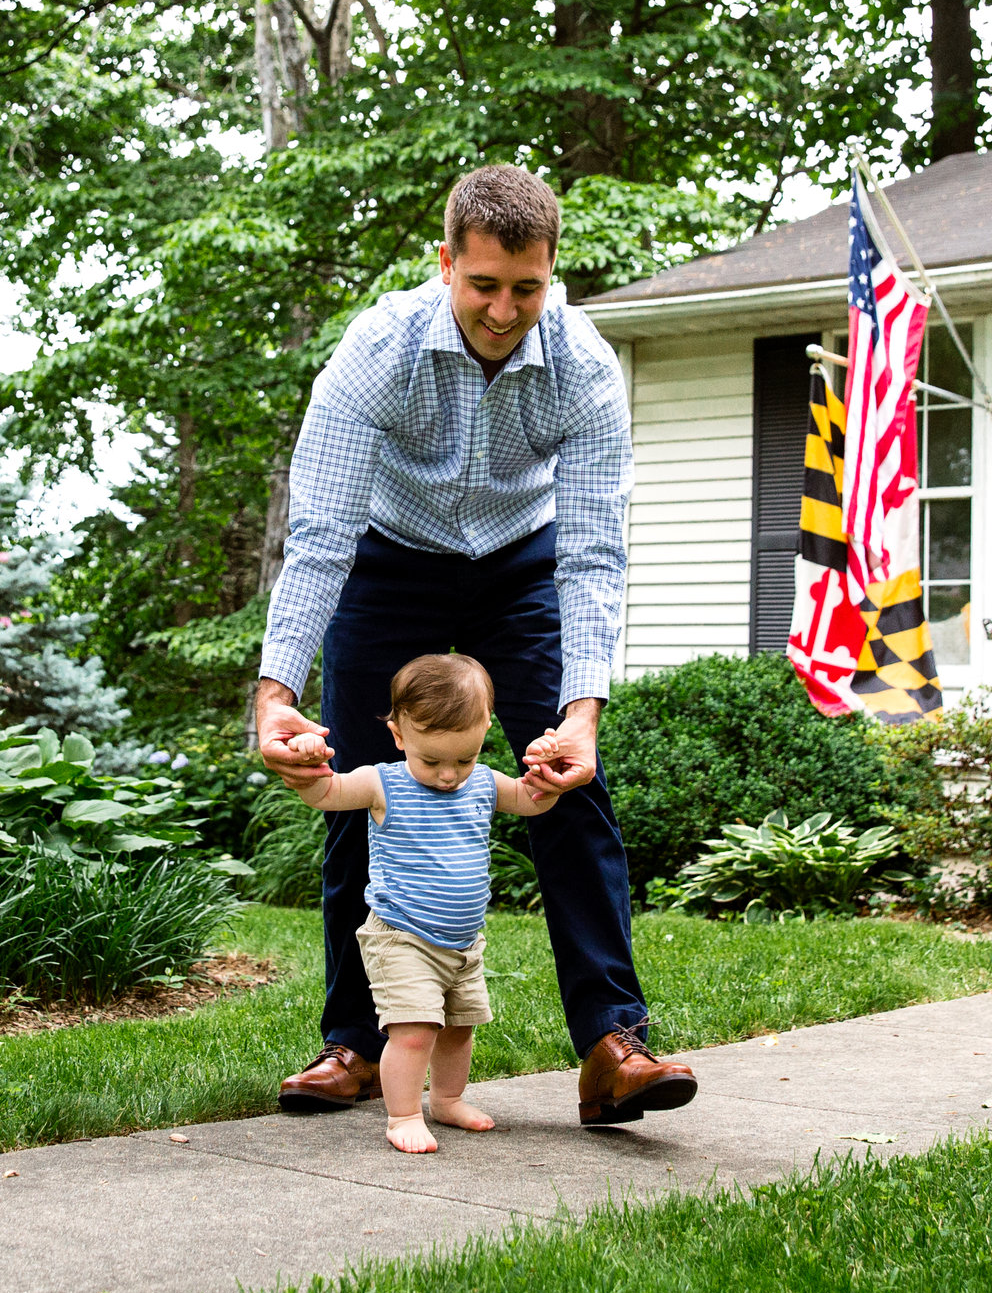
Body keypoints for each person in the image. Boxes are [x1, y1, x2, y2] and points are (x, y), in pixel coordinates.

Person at [254, 163, 699, 1129]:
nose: (504, 310)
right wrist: (275, 693)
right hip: (390, 555)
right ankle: (357, 1046)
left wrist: (582, 714)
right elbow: (321, 535)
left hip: (521, 561)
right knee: (359, 786)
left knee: (570, 789)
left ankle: (613, 1045)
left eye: (527, 288)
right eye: (485, 284)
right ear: (446, 262)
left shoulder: (583, 368)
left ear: (551, 273)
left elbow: (592, 553)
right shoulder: (376, 350)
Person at [279, 654, 557, 1152]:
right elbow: (324, 792)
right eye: (432, 760)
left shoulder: (485, 782)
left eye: (464, 758)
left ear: (484, 730)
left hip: (463, 944)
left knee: (457, 1030)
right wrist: (306, 758)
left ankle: (447, 1101)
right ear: (399, 734)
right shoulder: (381, 782)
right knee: (413, 1032)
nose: (449, 775)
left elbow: (534, 800)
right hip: (402, 936)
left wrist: (547, 768)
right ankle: (402, 1114)